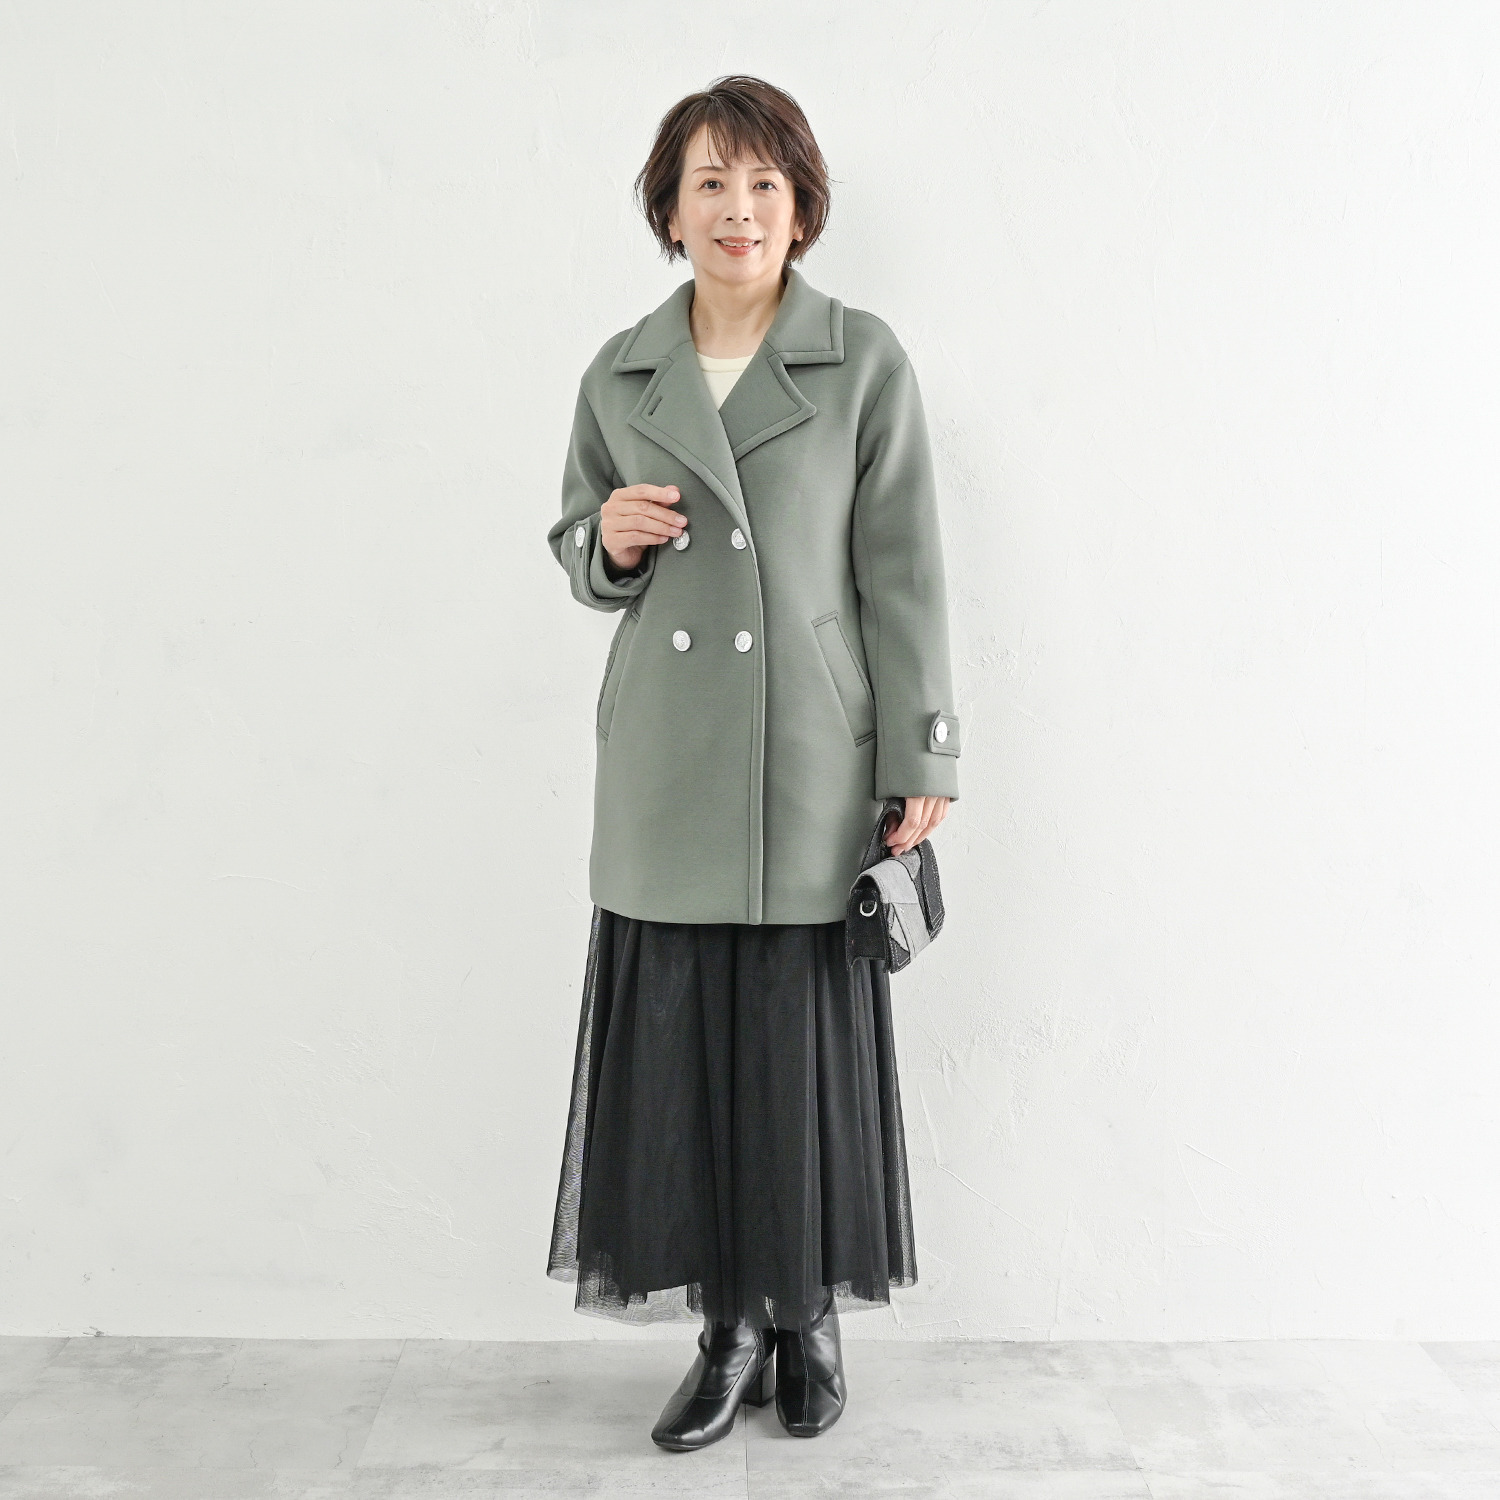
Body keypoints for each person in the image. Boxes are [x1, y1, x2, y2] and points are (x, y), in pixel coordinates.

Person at [544, 74, 962, 1452]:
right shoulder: (622, 371)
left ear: (801, 207)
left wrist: (922, 750)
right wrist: (605, 541)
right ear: (669, 210)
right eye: (710, 183)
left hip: (810, 757)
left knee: (798, 1052)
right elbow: (577, 546)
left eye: (764, 184)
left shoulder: (862, 360)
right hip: (669, 757)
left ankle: (807, 1318)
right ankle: (727, 1329)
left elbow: (903, 572)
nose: (738, 209)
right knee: (685, 1055)